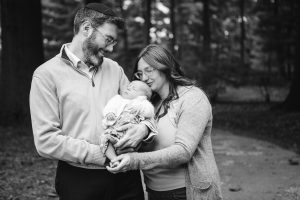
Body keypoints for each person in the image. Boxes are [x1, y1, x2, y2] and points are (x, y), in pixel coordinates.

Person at [29, 3, 156, 200]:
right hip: (79, 180)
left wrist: (144, 129)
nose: (112, 48)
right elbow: (46, 141)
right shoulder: (45, 75)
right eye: (108, 39)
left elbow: (140, 107)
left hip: (126, 176)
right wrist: (103, 154)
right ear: (86, 28)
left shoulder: (115, 69)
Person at [107, 44, 223, 200]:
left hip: (186, 192)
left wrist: (133, 161)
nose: (144, 78)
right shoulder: (149, 104)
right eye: (140, 73)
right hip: (154, 192)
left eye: (149, 70)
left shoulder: (192, 98)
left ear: (165, 67)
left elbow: (183, 152)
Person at [101, 80, 155, 167]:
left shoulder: (142, 103)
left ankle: (122, 160)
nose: (129, 88)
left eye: (133, 88)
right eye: (129, 86)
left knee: (130, 149)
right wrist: (110, 113)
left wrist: (141, 103)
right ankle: (114, 159)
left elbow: (149, 113)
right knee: (104, 138)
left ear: (143, 96)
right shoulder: (118, 99)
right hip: (115, 132)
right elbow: (109, 107)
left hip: (129, 136)